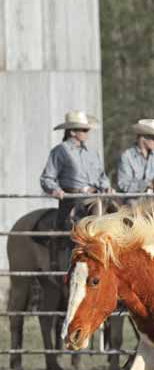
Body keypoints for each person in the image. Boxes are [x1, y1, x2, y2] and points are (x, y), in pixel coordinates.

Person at [40, 110, 113, 268]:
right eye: (84, 130)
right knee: (90, 213)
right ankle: (84, 258)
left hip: (95, 196)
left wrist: (107, 187)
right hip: (72, 198)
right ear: (72, 131)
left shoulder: (92, 153)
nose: (88, 133)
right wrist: (56, 190)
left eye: (87, 129)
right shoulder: (60, 151)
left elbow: (102, 176)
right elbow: (47, 178)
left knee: (118, 213)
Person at [117, 119, 154, 199]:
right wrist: (145, 185)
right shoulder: (127, 156)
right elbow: (123, 184)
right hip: (133, 200)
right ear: (143, 138)